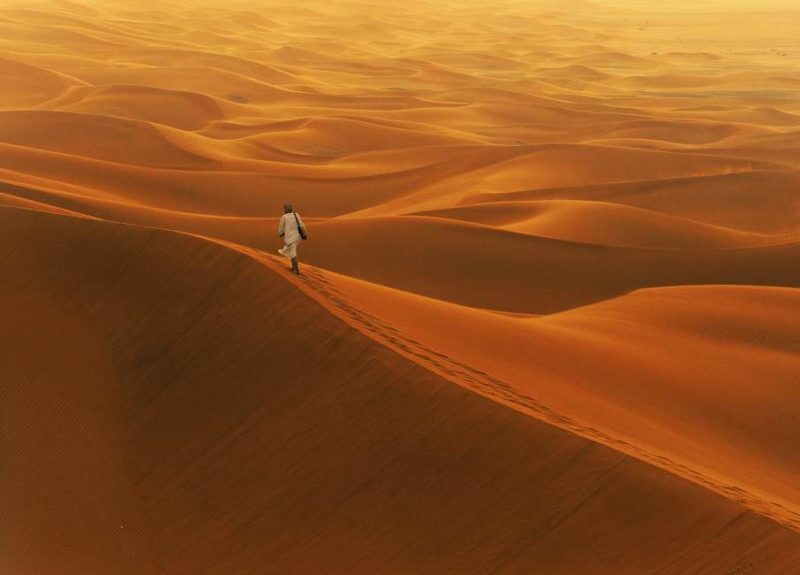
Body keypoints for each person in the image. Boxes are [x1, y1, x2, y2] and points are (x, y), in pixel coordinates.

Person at [278, 202, 307, 274]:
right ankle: (294, 267)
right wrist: (305, 233)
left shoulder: (283, 217)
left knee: (293, 252)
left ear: (284, 209)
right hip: (297, 237)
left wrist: (281, 233)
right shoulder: (296, 215)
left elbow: (280, 230)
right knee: (291, 250)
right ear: (291, 209)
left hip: (290, 238)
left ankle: (296, 269)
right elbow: (302, 225)